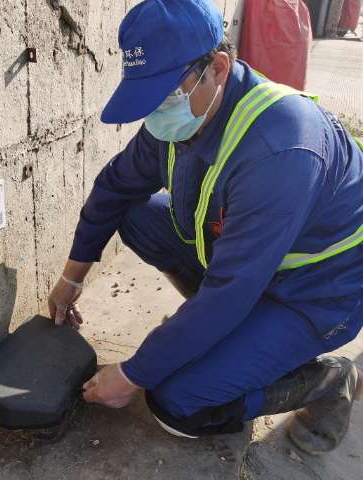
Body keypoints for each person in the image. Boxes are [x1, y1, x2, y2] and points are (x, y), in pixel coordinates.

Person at [47, 0, 363, 454]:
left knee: (177, 400)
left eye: (165, 94)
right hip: (250, 266)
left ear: (217, 67)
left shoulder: (280, 150)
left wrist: (133, 374)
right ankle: (224, 337)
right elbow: (115, 187)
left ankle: (327, 380)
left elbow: (231, 290)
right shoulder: (182, 117)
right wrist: (71, 277)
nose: (154, 113)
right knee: (133, 215)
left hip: (319, 291)